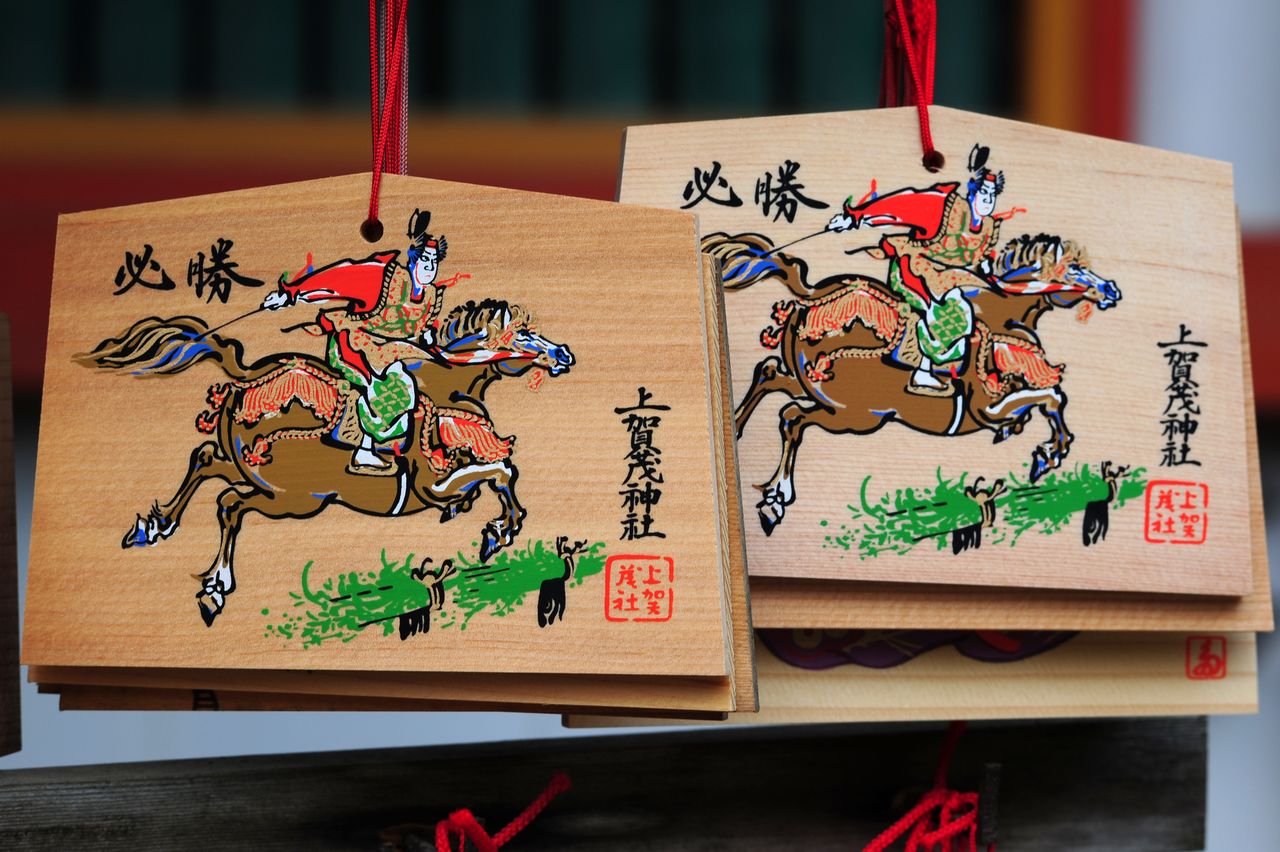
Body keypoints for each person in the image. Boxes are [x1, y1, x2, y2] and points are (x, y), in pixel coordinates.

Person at [261, 209, 465, 472]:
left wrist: (430, 342)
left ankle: (389, 444)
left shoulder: (429, 298)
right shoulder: (385, 278)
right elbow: (338, 280)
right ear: (412, 258)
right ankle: (364, 452)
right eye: (425, 259)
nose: (429, 267)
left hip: (389, 354)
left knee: (408, 386)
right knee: (392, 388)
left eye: (434, 262)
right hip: (355, 344)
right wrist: (291, 294)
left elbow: (421, 332)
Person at [827, 145, 1021, 394]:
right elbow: (903, 205)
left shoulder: (987, 227)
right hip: (916, 269)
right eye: (983, 192)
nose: (987, 200)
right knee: (947, 312)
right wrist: (855, 218)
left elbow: (979, 258)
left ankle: (947, 367)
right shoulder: (947, 208)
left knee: (966, 311)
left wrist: (986, 269)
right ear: (972, 190)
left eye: (992, 195)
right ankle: (922, 372)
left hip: (949, 279)